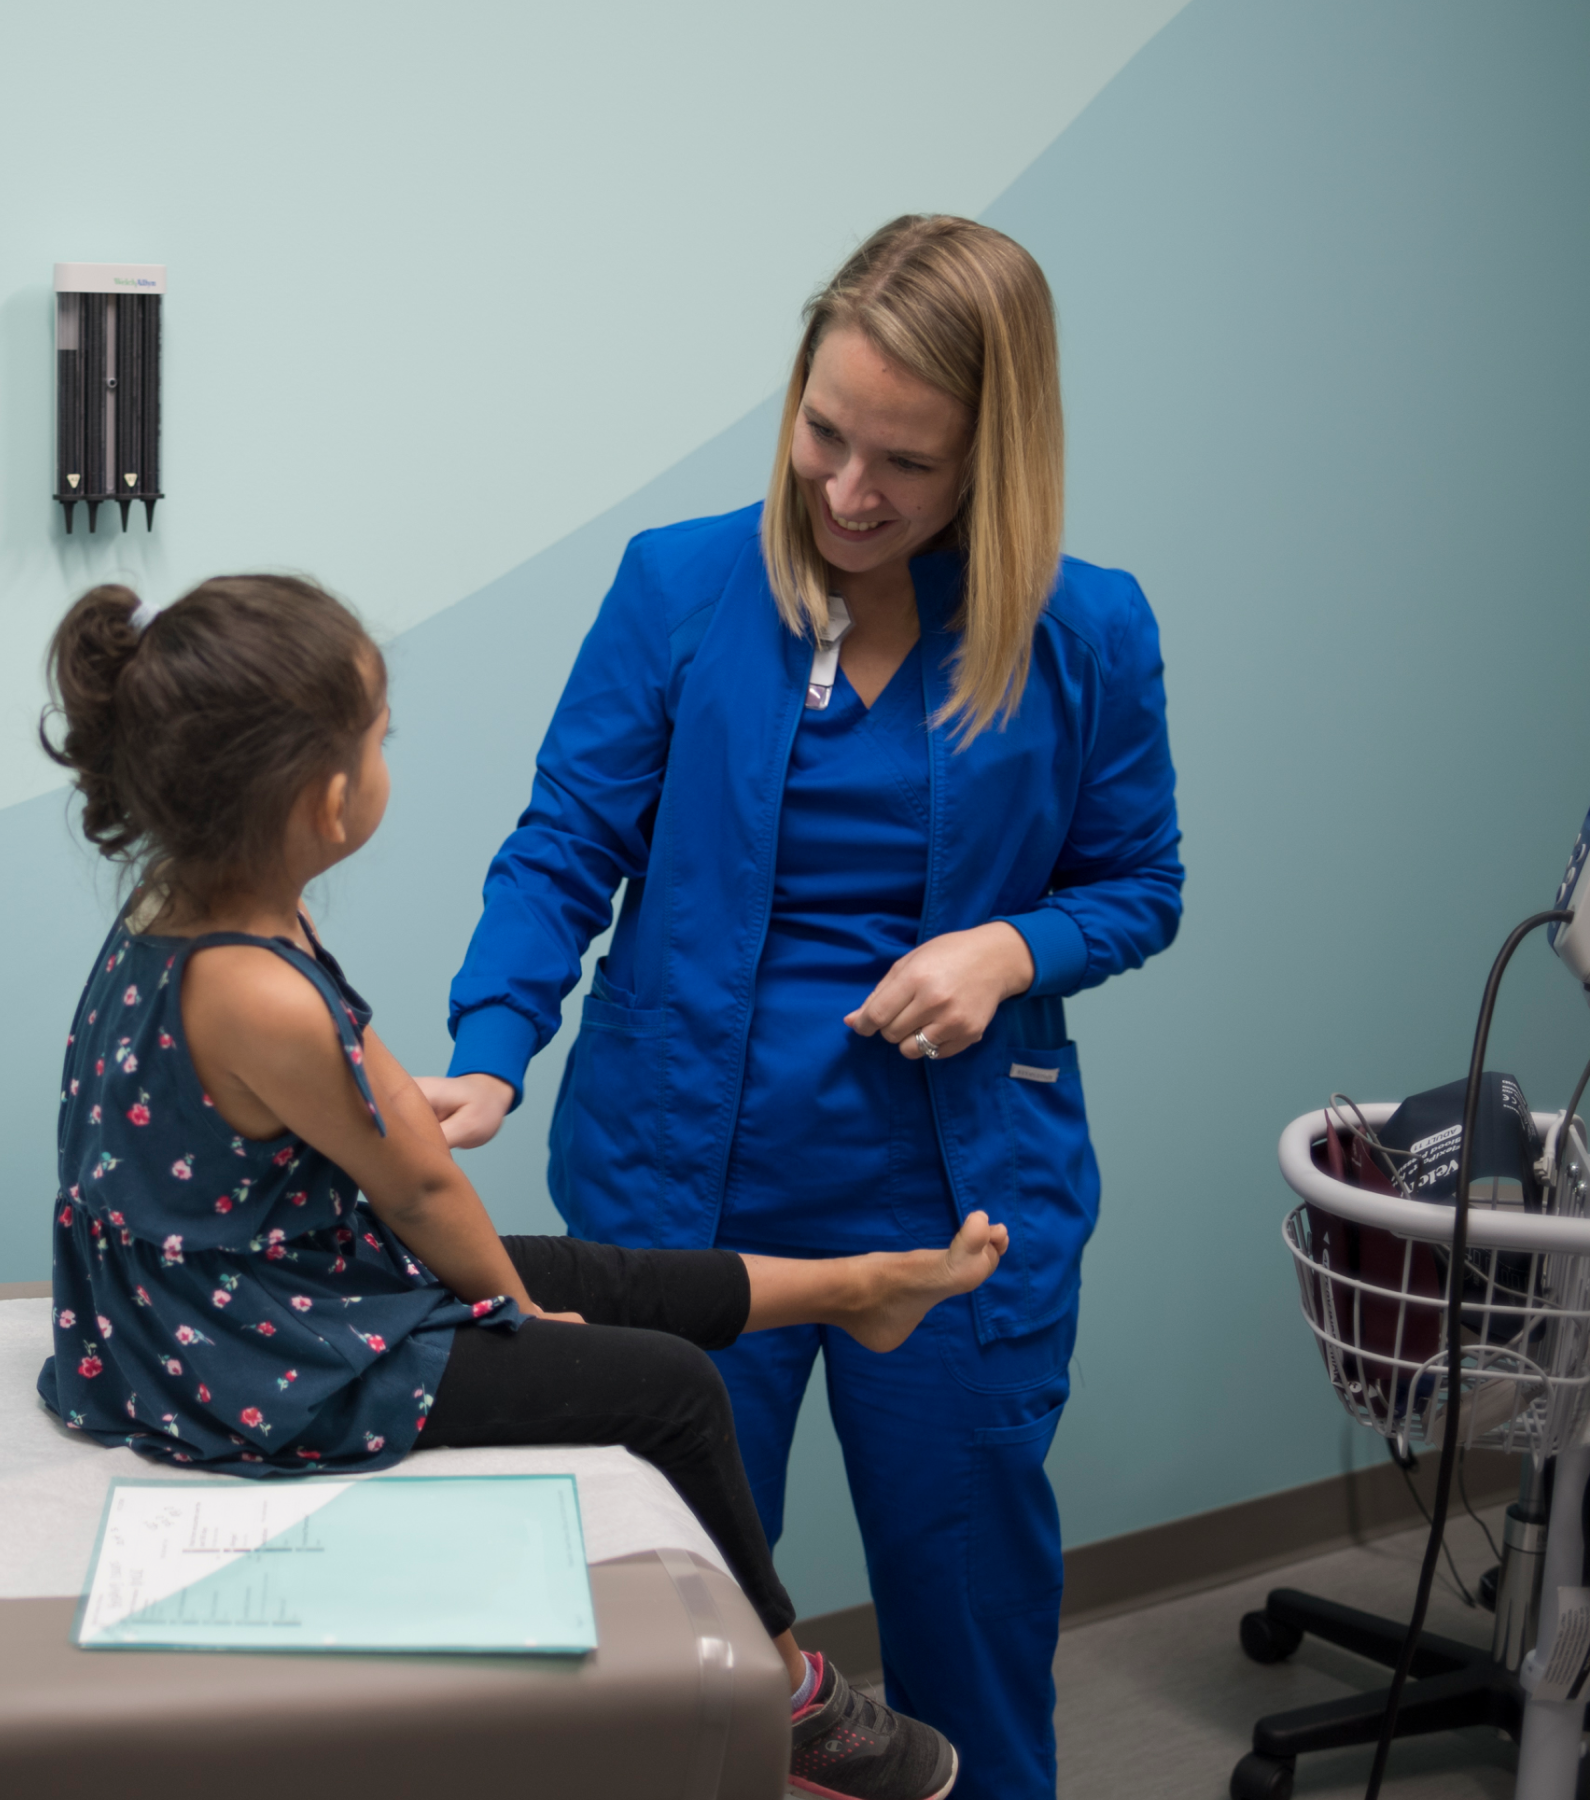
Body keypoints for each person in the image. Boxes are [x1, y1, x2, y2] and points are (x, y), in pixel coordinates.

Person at [418, 216, 1184, 1799]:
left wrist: (1010, 953)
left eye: (903, 461)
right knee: (672, 1625)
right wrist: (492, 1053)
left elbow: (1140, 884)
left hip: (957, 1199)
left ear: (996, 453)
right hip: (684, 1194)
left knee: (967, 1599)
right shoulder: (683, 587)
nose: (847, 490)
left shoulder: (1087, 631)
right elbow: (565, 843)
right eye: (825, 432)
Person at [35, 571, 1013, 1800]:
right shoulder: (256, 985)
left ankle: (858, 1287)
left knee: (596, 1270)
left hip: (249, 1278)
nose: (385, 761)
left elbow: (367, 1104)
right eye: (379, 742)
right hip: (240, 1344)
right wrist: (510, 1316)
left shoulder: (192, 910)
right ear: (331, 800)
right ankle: (792, 1696)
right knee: (662, 1387)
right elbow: (424, 1198)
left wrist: (448, 1143)